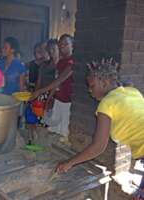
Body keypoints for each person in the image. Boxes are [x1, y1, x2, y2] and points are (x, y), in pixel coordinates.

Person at [55, 58, 144, 199]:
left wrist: (69, 163)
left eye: (92, 86)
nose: (90, 91)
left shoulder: (106, 104)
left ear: (105, 83)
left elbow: (98, 147)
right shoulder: (131, 91)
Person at [32, 34, 74, 144]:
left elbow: (59, 80)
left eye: (66, 44)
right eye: (61, 44)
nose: (62, 46)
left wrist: (40, 91)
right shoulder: (60, 63)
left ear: (72, 45)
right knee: (54, 128)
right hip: (59, 99)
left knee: (65, 131)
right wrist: (49, 99)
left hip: (68, 101)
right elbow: (56, 84)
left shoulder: (73, 62)